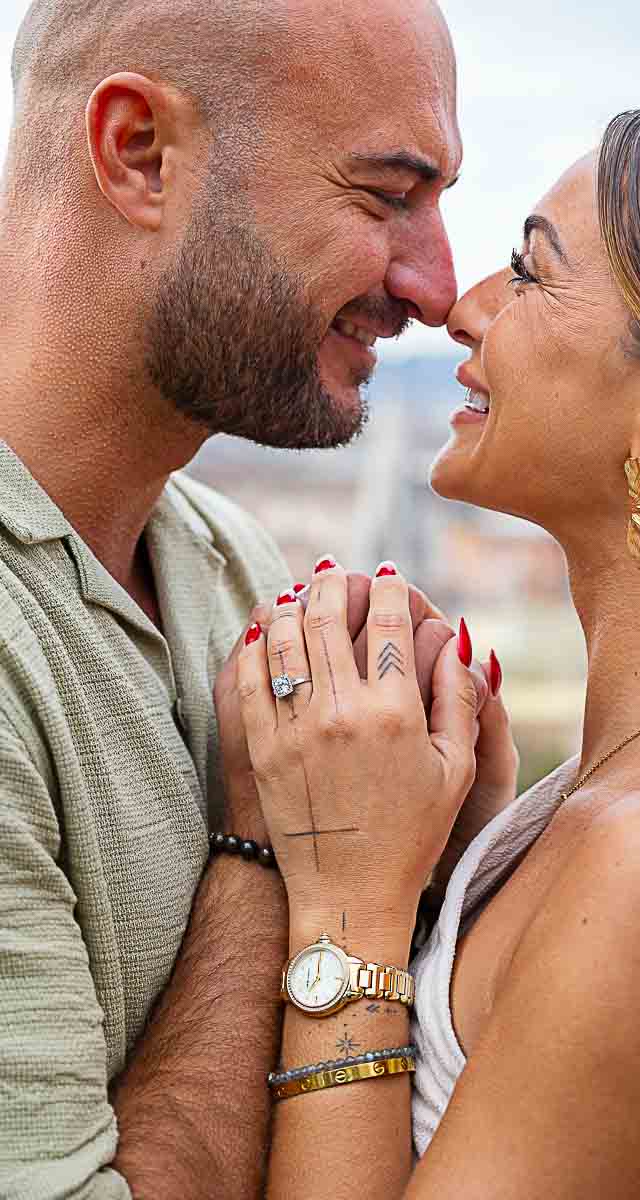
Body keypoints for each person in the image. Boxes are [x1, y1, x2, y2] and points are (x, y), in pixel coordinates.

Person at [233, 102, 640, 1199]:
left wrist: (347, 908)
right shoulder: (636, 800)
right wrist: (461, 859)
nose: (459, 307)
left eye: (528, 274)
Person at [0, 0, 463, 1196]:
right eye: (383, 196)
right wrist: (272, 850)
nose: (436, 284)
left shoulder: (245, 571)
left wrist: (455, 844)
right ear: (137, 152)